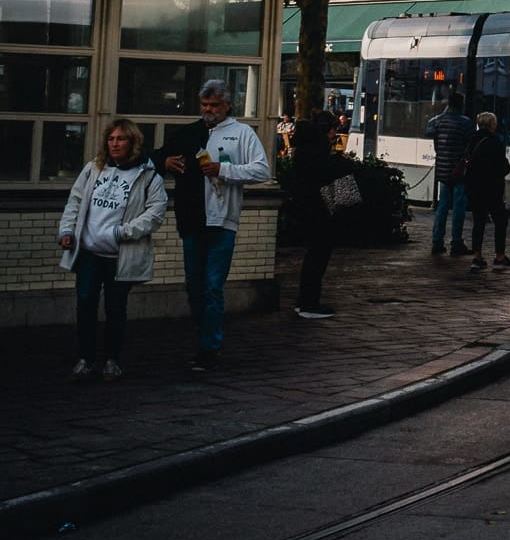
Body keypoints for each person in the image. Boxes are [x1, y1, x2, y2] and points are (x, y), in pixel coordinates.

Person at [162, 79, 272, 373]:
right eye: (205, 105)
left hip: (223, 220)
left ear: (227, 105)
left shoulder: (242, 133)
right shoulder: (190, 133)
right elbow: (158, 156)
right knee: (194, 285)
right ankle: (203, 335)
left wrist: (224, 169)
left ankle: (209, 346)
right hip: (192, 218)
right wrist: (166, 162)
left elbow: (262, 169)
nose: (209, 110)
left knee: (212, 286)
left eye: (215, 105)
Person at [58, 117, 169, 379]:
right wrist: (66, 231)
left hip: (119, 256)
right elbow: (74, 201)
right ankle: (85, 358)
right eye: (111, 139)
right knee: (85, 303)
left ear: (132, 142)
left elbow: (156, 212)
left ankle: (112, 359)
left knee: (115, 308)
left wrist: (123, 232)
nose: (115, 143)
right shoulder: (93, 169)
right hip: (88, 252)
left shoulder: (147, 175)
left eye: (121, 139)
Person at [289, 109, 349, 320]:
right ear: (326, 130)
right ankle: (309, 303)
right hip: (319, 209)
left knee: (313, 254)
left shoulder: (304, 149)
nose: (335, 135)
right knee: (318, 254)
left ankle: (305, 300)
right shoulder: (319, 151)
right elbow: (329, 179)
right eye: (333, 130)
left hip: (306, 207)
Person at [464, 111, 510, 272]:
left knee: (478, 222)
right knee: (501, 221)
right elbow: (503, 167)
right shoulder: (495, 141)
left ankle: (477, 256)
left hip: (475, 188)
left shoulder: (472, 140)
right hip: (492, 189)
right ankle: (499, 256)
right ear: (491, 124)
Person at [426, 88, 475, 256]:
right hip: (459, 170)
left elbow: (432, 137)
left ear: (448, 103)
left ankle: (437, 241)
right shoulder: (466, 123)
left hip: (443, 169)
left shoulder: (436, 121)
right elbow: (470, 144)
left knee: (442, 207)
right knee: (459, 207)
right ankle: (456, 242)